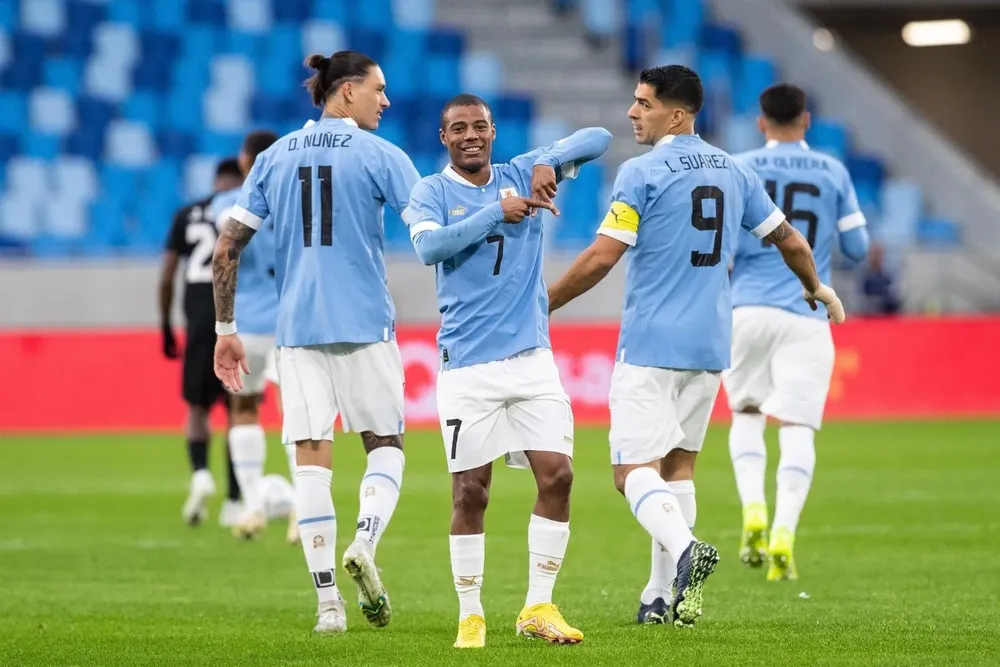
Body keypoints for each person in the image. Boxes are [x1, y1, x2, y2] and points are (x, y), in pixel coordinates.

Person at [546, 65, 845, 628]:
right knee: (678, 468)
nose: (633, 113)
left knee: (631, 470)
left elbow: (602, 256)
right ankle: (662, 599)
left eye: (644, 104)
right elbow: (790, 240)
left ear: (675, 114)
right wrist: (816, 288)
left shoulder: (641, 173)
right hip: (711, 344)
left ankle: (685, 551)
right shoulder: (733, 171)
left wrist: (541, 306)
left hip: (652, 344)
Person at [211, 50, 420, 635]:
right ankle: (366, 542)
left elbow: (226, 248)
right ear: (347, 91)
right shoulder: (381, 155)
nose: (386, 100)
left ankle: (328, 606)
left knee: (311, 462)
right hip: (365, 327)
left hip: (296, 333)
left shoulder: (273, 157)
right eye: (378, 89)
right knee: (385, 444)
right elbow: (432, 228)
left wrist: (225, 331)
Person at [404, 93, 611, 648]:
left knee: (560, 476)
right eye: (458, 129)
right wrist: (497, 210)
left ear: (493, 131)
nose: (470, 135)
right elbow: (429, 251)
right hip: (467, 367)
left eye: (480, 126)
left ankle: (537, 606)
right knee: (471, 490)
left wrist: (549, 161)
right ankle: (471, 613)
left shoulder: (523, 169)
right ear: (443, 137)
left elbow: (599, 137)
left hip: (532, 360)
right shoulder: (429, 191)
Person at [723, 83, 869, 580]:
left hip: (744, 311)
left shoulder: (739, 167)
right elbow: (857, 247)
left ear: (760, 123)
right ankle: (784, 529)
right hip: (808, 312)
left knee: (745, 413)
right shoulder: (832, 170)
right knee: (798, 427)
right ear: (806, 120)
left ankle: (753, 511)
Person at [210, 129, 302, 543]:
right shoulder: (298, 205)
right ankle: (303, 508)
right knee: (297, 417)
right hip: (293, 323)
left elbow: (223, 255)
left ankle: (252, 507)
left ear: (246, 162)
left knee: (243, 411)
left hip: (245, 325)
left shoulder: (229, 208)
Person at [159, 158, 244, 527]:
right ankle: (235, 499)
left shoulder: (186, 215)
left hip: (196, 321)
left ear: (214, 180)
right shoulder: (246, 212)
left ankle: (199, 474)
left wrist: (165, 325)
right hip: (237, 317)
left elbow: (166, 276)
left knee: (197, 408)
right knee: (239, 411)